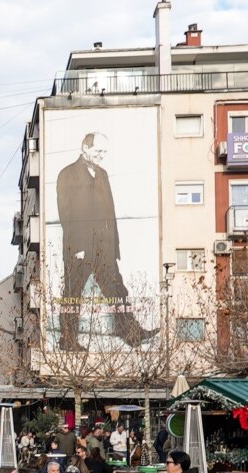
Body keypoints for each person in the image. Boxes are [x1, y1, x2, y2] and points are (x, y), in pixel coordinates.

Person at [56, 131, 156, 348]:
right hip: (80, 249)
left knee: (118, 292)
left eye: (104, 151)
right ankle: (68, 340)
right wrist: (78, 247)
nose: (102, 155)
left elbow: (110, 213)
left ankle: (131, 333)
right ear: (85, 148)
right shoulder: (67, 174)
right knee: (72, 296)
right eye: (98, 151)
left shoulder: (103, 175)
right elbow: (66, 214)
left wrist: (115, 247)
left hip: (105, 248)